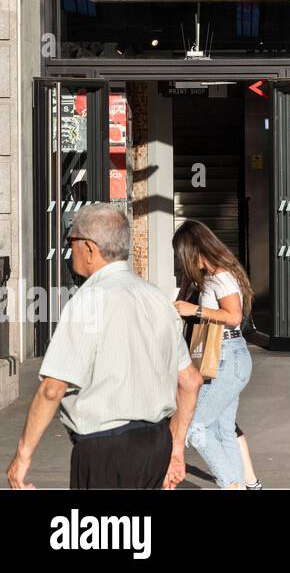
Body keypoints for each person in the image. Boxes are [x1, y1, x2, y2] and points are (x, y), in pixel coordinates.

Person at [6, 203, 202, 490]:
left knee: (102, 534)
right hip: (156, 443)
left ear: (89, 247)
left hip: (106, 449)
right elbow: (190, 382)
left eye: (70, 241)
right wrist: (176, 448)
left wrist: (22, 458)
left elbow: (52, 388)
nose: (69, 249)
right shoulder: (157, 298)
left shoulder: (88, 302)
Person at [172, 220, 255, 490]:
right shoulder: (209, 277)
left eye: (182, 255)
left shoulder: (220, 276)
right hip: (227, 356)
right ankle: (239, 485)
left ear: (194, 249)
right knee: (223, 430)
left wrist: (194, 310)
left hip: (227, 357)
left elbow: (234, 316)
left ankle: (231, 484)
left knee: (196, 426)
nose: (181, 261)